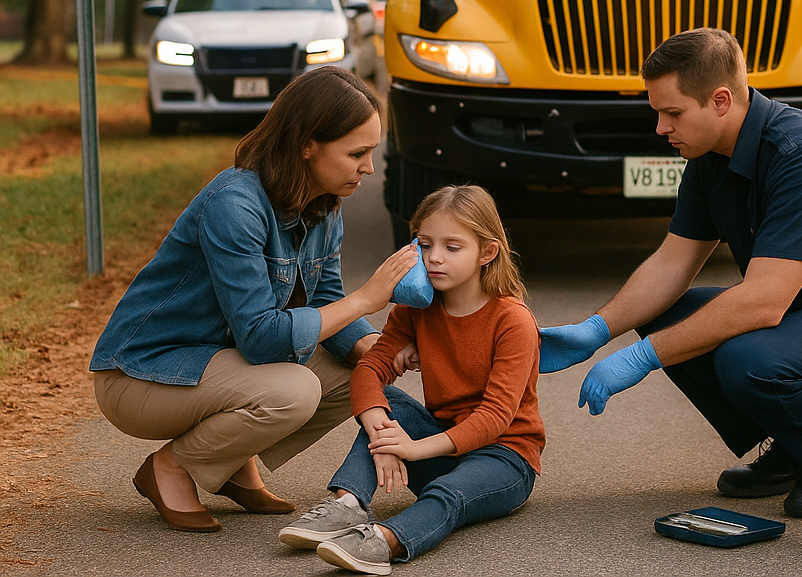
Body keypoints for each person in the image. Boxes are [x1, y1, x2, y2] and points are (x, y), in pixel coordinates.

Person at [539, 28, 802, 518]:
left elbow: (763, 302)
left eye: (673, 112)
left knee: (747, 354)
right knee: (671, 318)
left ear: (720, 100)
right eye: (657, 112)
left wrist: (642, 358)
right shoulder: (710, 156)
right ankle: (796, 444)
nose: (660, 127)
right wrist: (595, 329)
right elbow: (671, 263)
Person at [90, 67, 418, 533]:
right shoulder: (235, 204)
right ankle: (171, 468)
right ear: (307, 143)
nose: (368, 167)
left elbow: (326, 300)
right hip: (144, 374)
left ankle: (227, 462)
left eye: (371, 153)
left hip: (218, 365)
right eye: (357, 153)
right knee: (294, 391)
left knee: (361, 376)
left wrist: (379, 351)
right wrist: (368, 300)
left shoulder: (324, 206)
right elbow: (263, 339)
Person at [279, 184, 544, 574]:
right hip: (441, 442)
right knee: (387, 400)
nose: (434, 258)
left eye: (453, 247)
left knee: (446, 494)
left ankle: (384, 541)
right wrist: (381, 432)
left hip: (504, 457)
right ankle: (347, 503)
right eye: (424, 244)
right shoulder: (415, 307)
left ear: (487, 252)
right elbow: (371, 368)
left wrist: (411, 450)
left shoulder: (513, 320)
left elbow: (494, 418)